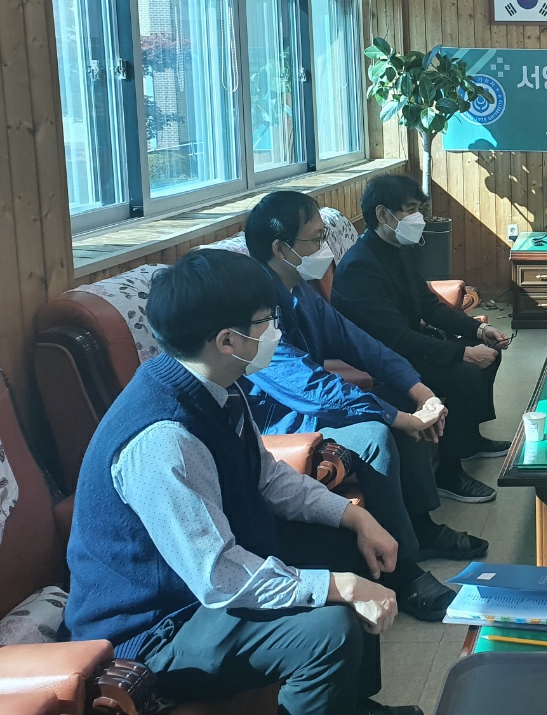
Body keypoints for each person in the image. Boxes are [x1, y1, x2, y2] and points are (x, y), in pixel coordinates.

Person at [64, 249, 422, 715]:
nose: (275, 332)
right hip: (157, 629)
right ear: (228, 340)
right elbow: (219, 576)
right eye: (266, 321)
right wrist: (340, 588)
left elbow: (268, 478)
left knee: (346, 547)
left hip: (200, 586)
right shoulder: (163, 438)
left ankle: (352, 704)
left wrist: (355, 518)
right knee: (327, 631)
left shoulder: (217, 385)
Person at [243, 192, 489, 581]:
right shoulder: (250, 307)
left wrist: (417, 389)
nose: (325, 250)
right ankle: (401, 571)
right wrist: (396, 417)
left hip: (311, 406)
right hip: (280, 420)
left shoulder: (300, 290)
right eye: (315, 239)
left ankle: (420, 528)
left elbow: (358, 343)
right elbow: (310, 389)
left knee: (399, 403)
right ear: (280, 248)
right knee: (376, 434)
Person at [331, 174, 511, 473]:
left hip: (407, 345)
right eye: (411, 209)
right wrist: (462, 353)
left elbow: (428, 304)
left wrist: (478, 330)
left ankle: (469, 439)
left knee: (488, 350)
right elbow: (395, 338)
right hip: (382, 359)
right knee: (465, 374)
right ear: (382, 214)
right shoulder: (359, 267)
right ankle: (449, 474)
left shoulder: (399, 249)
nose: (419, 218)